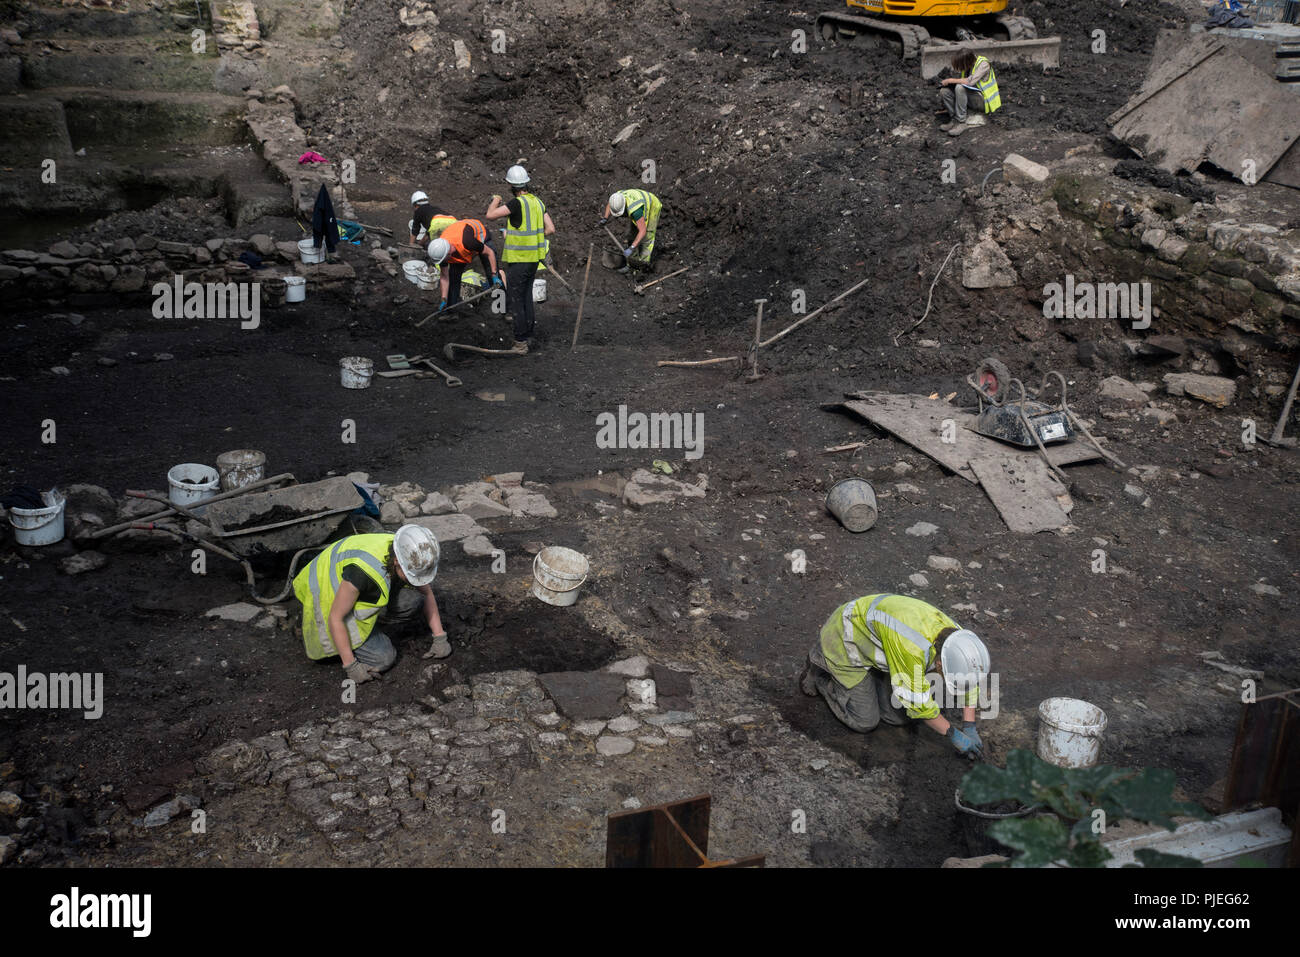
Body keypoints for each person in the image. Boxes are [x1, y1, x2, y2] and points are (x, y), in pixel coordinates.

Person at [798, 593, 990, 759]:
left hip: (877, 642)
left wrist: (969, 725)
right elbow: (920, 706)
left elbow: (970, 678)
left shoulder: (958, 641)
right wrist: (954, 735)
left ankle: (871, 677)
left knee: (897, 717)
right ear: (940, 663)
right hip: (845, 639)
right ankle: (821, 671)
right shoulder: (912, 649)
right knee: (865, 721)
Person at [292, 524, 450, 685]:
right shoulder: (362, 573)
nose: (415, 581)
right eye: (411, 576)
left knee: (412, 600)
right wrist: (351, 666)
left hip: (353, 586)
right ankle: (304, 625)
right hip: (325, 591)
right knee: (383, 659)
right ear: (396, 561)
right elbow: (335, 617)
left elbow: (426, 592)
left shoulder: (405, 551)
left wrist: (440, 637)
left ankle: (367, 627)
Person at [485, 165, 556, 355]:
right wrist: (530, 237)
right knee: (526, 298)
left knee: (516, 299)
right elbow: (550, 228)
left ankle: (520, 342)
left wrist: (496, 200)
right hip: (533, 260)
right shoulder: (537, 202)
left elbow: (490, 215)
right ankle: (528, 334)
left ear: (510, 184)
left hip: (519, 259)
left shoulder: (516, 204)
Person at [427, 218, 503, 312]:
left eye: (444, 259)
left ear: (448, 253)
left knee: (492, 277)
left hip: (481, 238)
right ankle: (451, 310)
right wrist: (444, 298)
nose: (443, 262)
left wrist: (494, 274)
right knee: (453, 278)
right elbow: (444, 277)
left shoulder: (468, 242)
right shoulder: (441, 252)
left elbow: (489, 252)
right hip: (460, 246)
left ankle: (502, 308)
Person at [937, 51, 1000, 136]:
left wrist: (950, 80)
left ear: (966, 61)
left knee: (960, 88)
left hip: (984, 102)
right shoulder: (968, 66)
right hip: (973, 97)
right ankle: (954, 119)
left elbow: (969, 82)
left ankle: (961, 122)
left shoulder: (983, 64)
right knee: (945, 91)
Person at [600, 188, 662, 270]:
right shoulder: (616, 198)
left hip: (653, 205)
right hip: (640, 202)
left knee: (647, 236)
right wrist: (605, 218)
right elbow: (609, 204)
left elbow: (643, 231)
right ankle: (632, 263)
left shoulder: (635, 211)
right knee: (633, 234)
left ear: (624, 206)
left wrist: (631, 248)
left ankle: (642, 265)